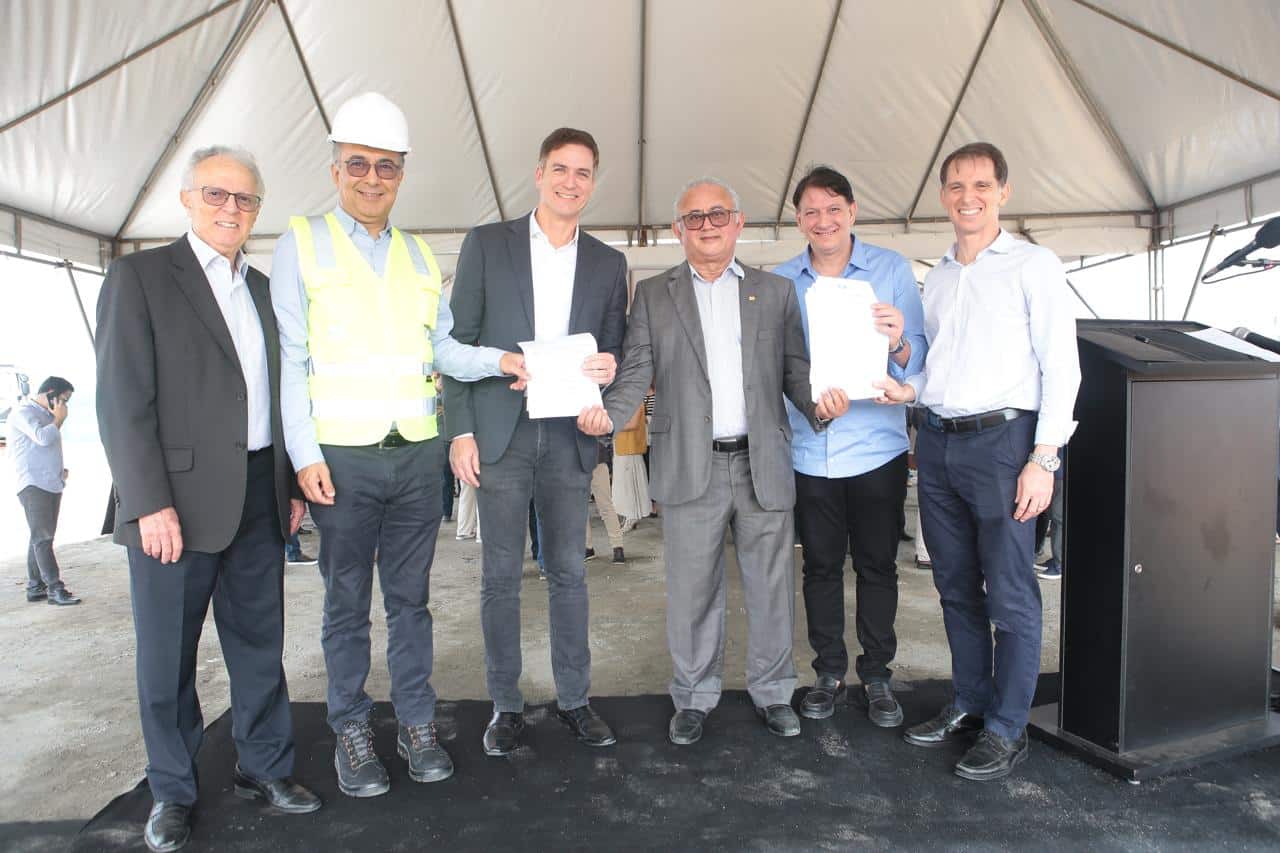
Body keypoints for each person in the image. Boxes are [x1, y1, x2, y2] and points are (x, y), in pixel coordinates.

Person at [270, 93, 526, 798]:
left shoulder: (418, 253)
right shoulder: (301, 242)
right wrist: (303, 455)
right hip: (341, 459)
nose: (372, 178)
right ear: (335, 169)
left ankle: (416, 721)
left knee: (411, 601)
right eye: (358, 164)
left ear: (402, 175)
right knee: (346, 603)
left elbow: (442, 346)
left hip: (415, 456)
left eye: (386, 166)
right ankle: (352, 729)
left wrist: (502, 359)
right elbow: (291, 359)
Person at [96, 145, 321, 853]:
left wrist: (286, 483)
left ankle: (265, 767)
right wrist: (147, 502)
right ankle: (172, 789)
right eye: (217, 194)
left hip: (259, 492)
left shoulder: (263, 290)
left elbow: (278, 393)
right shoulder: (140, 277)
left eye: (245, 199)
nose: (231, 208)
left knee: (259, 642)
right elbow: (121, 401)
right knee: (168, 656)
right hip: (174, 503)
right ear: (187, 198)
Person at [582, 177, 849, 746]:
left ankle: (773, 692)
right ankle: (693, 696)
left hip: (762, 462)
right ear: (678, 230)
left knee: (772, 587)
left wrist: (819, 406)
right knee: (691, 590)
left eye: (718, 214)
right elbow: (636, 369)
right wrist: (607, 415)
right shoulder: (653, 295)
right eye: (694, 218)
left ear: (738, 222)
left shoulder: (775, 292)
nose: (707, 226)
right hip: (689, 464)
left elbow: (796, 371)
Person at [875, 142, 1081, 782]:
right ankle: (970, 700)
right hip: (937, 444)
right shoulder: (937, 277)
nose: (969, 197)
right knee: (954, 585)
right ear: (943, 196)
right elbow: (940, 365)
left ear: (1003, 192)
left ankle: (1007, 727)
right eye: (957, 186)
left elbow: (1062, 366)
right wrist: (908, 384)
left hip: (1004, 446)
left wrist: (1044, 458)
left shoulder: (1032, 265)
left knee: (1011, 591)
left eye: (982, 185)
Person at [446, 127, 627, 756]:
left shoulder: (608, 262)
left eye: (582, 172)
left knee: (569, 573)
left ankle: (575, 700)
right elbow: (457, 343)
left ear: (592, 183)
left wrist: (608, 367)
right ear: (539, 173)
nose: (570, 182)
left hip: (570, 435)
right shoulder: (486, 244)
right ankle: (506, 705)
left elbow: (615, 349)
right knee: (500, 576)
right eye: (560, 169)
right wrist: (461, 430)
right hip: (501, 432)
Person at [773, 166, 926, 726]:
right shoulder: (781, 282)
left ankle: (878, 673)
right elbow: (774, 368)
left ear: (853, 212)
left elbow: (919, 356)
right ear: (798, 220)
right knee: (819, 567)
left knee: (877, 565)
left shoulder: (891, 270)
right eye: (811, 211)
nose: (824, 221)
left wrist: (898, 340)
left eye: (834, 208)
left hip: (877, 449)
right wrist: (810, 404)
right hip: (810, 450)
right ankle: (829, 671)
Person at [10, 376, 81, 605]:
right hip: (33, 485)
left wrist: (59, 470)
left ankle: (35, 587)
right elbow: (42, 438)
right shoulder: (23, 412)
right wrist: (58, 420)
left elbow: (45, 449)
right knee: (43, 538)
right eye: (63, 400)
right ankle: (54, 589)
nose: (64, 406)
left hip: (51, 482)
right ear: (50, 393)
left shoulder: (48, 416)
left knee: (40, 537)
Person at [612, 399, 650, 533]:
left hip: (630, 448)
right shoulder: (628, 401)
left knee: (629, 485)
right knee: (624, 485)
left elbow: (632, 424)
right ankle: (628, 515)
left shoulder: (636, 402)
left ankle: (632, 515)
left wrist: (611, 426)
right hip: (622, 447)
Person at [585, 440, 626, 564]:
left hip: (595, 459)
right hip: (577, 462)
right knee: (580, 508)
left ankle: (617, 546)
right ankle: (587, 547)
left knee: (605, 506)